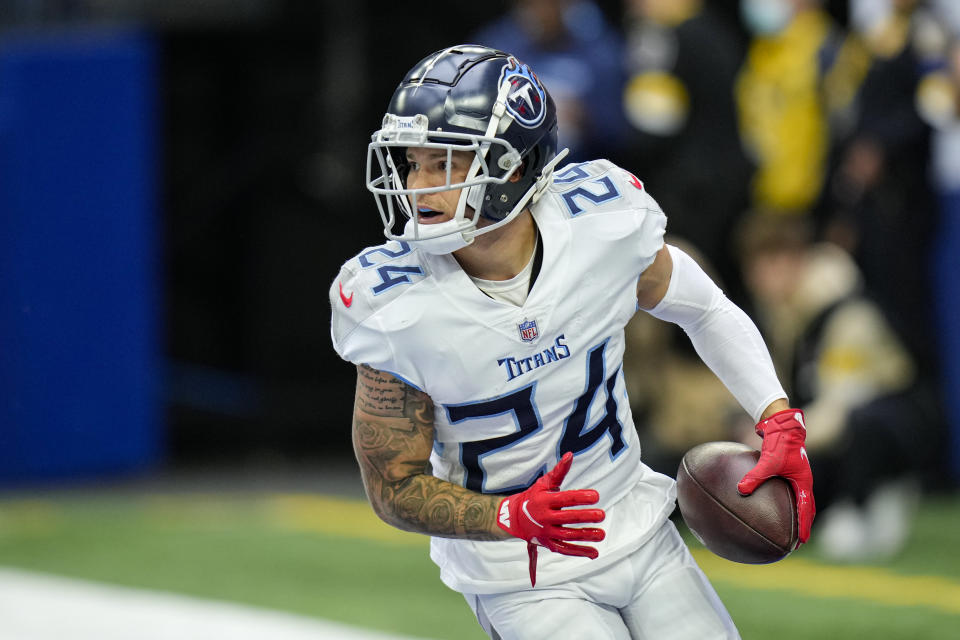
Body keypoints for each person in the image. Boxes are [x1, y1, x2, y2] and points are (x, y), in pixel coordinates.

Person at [330, 44, 814, 640]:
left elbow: (704, 307)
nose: (416, 186)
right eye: (411, 162)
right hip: (517, 569)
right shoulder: (392, 302)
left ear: (511, 166)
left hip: (636, 523)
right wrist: (510, 514)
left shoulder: (598, 225)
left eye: (443, 164)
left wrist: (778, 418)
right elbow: (393, 485)